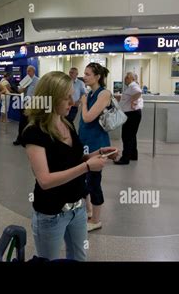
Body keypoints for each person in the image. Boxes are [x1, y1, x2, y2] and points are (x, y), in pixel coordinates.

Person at [22, 71, 118, 261]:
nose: (72, 101)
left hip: (78, 208)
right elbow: (45, 181)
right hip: (51, 213)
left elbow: (75, 159)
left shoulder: (67, 124)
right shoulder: (34, 132)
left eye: (72, 95)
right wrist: (88, 167)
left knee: (79, 257)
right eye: (65, 97)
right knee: (48, 259)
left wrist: (98, 154)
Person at [79, 62, 112, 232]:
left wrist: (84, 103)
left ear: (97, 77)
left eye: (88, 74)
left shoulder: (103, 94)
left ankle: (96, 219)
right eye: (84, 74)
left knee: (93, 181)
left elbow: (88, 118)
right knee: (83, 179)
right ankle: (89, 211)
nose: (84, 76)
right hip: (84, 142)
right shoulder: (90, 93)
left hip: (97, 144)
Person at [114, 72, 144, 165]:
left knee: (126, 136)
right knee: (131, 136)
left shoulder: (133, 85)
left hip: (132, 114)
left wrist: (132, 101)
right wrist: (121, 97)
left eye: (126, 77)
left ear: (131, 78)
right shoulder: (130, 87)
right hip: (133, 114)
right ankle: (133, 155)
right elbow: (127, 97)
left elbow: (138, 92)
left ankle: (125, 158)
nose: (125, 79)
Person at [13, 66, 40, 145]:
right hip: (24, 104)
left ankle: (31, 140)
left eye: (29, 71)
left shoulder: (38, 81)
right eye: (27, 71)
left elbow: (39, 93)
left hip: (33, 105)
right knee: (22, 122)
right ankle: (20, 139)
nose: (27, 72)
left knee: (32, 123)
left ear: (33, 71)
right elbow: (19, 90)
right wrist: (23, 88)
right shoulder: (25, 80)